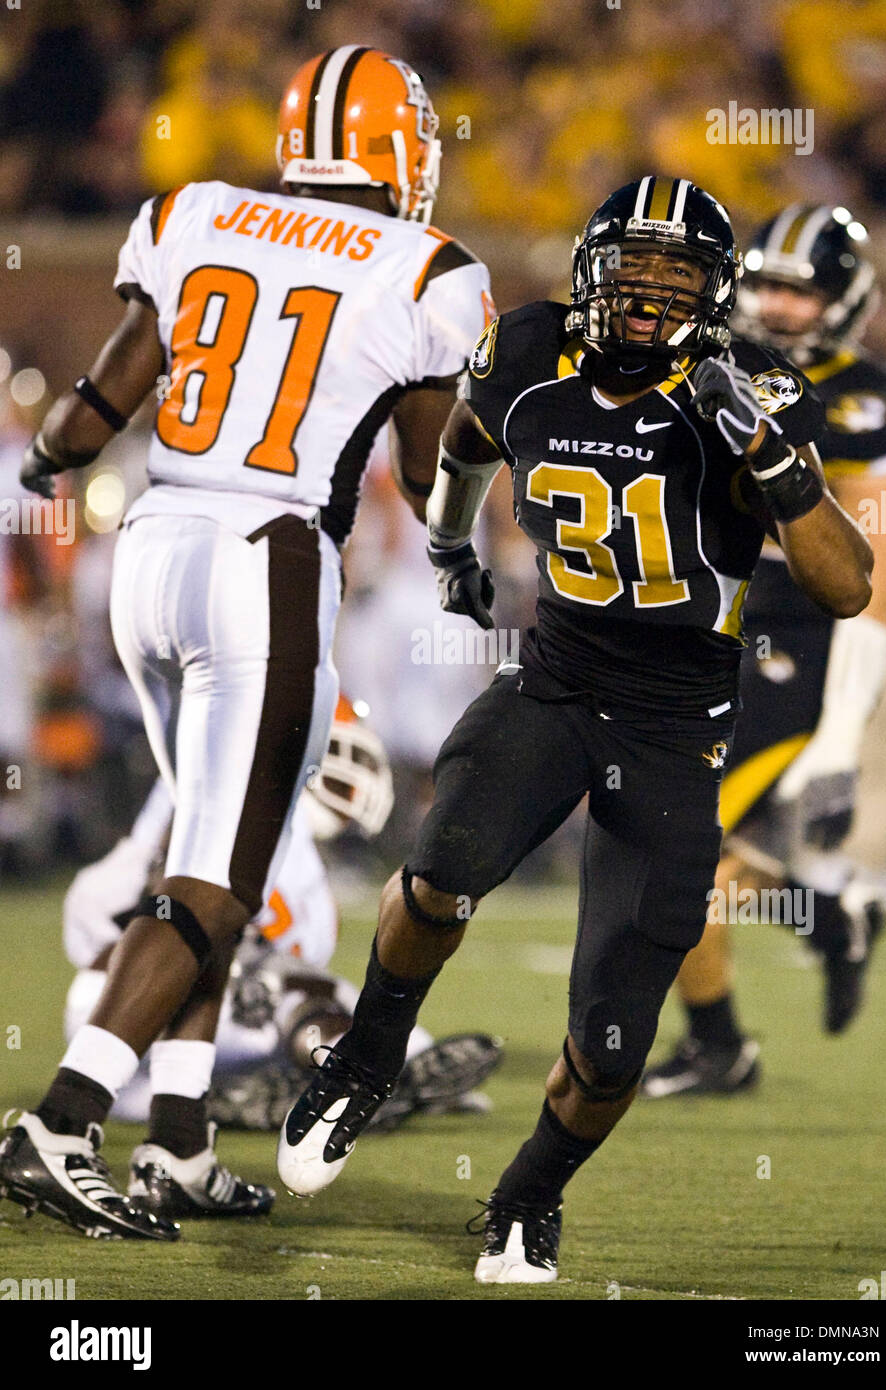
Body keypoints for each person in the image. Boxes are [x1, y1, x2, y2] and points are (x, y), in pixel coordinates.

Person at [274, 177, 874, 1283]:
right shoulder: (525, 351)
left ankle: (525, 1195)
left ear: (715, 294)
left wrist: (775, 462)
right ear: (590, 268)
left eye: (675, 281)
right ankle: (364, 1056)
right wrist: (452, 547)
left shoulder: (753, 390)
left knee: (610, 1044)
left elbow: (848, 582)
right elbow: (461, 440)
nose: (647, 304)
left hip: (678, 720)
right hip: (554, 675)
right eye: (632, 275)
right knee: (442, 863)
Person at [0, 45, 493, 1241]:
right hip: (264, 563)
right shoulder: (428, 267)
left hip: (153, 549)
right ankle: (62, 1118)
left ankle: (176, 1138)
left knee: (220, 855)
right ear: (396, 151)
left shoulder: (194, 213)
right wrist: (461, 553)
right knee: (220, 881)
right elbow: (430, 472)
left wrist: (48, 457)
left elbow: (103, 395)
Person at [641, 205, 886, 1098]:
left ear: (844, 299)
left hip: (789, 638)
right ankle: (828, 921)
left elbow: (875, 581)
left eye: (801, 289)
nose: (778, 305)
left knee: (675, 845)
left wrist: (839, 740)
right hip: (690, 617)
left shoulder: (865, 399)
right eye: (764, 283)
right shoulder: (698, 362)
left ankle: (720, 1043)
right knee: (662, 836)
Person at [62, 704, 501, 1157]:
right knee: (295, 982)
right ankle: (357, 1076)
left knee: (331, 995)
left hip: (124, 1031)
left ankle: (260, 1095)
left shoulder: (202, 793)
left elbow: (90, 911)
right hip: (153, 1001)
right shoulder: (265, 821)